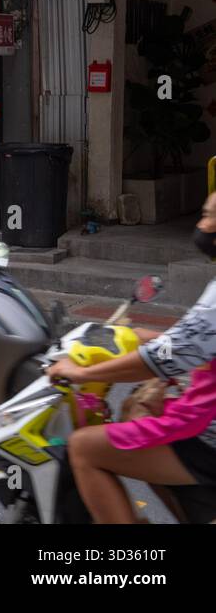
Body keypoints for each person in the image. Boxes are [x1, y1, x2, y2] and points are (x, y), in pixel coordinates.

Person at [48, 192, 216, 523]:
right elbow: (194, 341)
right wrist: (155, 338)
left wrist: (80, 374)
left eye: (210, 217)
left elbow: (162, 358)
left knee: (83, 448)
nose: (201, 225)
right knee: (140, 414)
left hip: (206, 430)